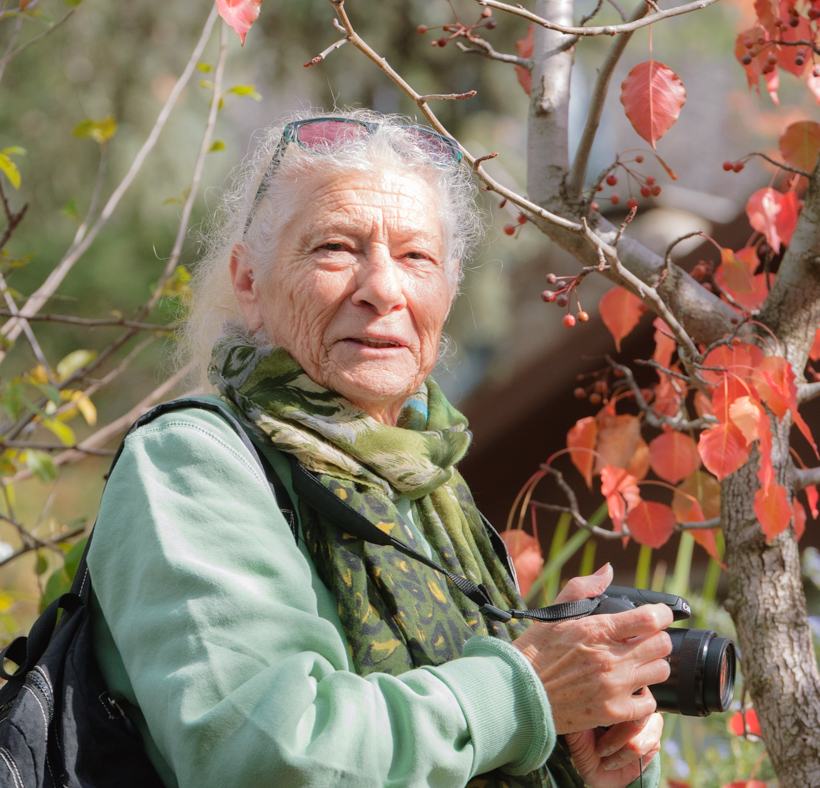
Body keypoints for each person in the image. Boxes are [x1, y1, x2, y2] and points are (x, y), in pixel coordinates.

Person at [87, 109, 671, 788]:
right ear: (249, 283)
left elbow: (484, 740)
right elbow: (267, 758)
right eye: (336, 247)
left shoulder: (428, 481)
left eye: (416, 257)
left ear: (447, 290)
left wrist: (586, 743)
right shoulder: (194, 461)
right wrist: (525, 691)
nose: (384, 289)